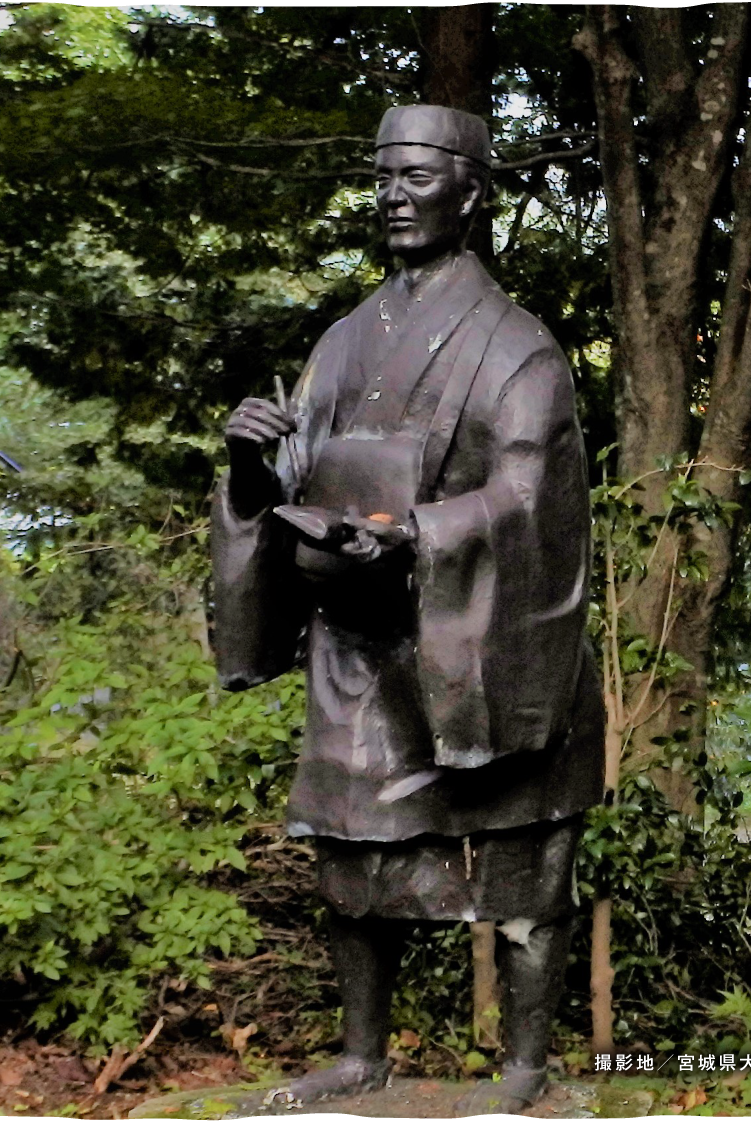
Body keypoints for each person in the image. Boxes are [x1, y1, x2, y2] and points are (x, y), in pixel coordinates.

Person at [210, 104, 603, 1115]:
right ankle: (358, 1050)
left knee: (517, 853)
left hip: (470, 639)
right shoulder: (342, 341)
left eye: (417, 176)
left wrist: (417, 535)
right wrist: (252, 460)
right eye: (383, 175)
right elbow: (296, 468)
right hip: (357, 642)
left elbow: (531, 500)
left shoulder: (517, 349)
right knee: (348, 850)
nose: (392, 194)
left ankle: (520, 1065)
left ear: (470, 195)